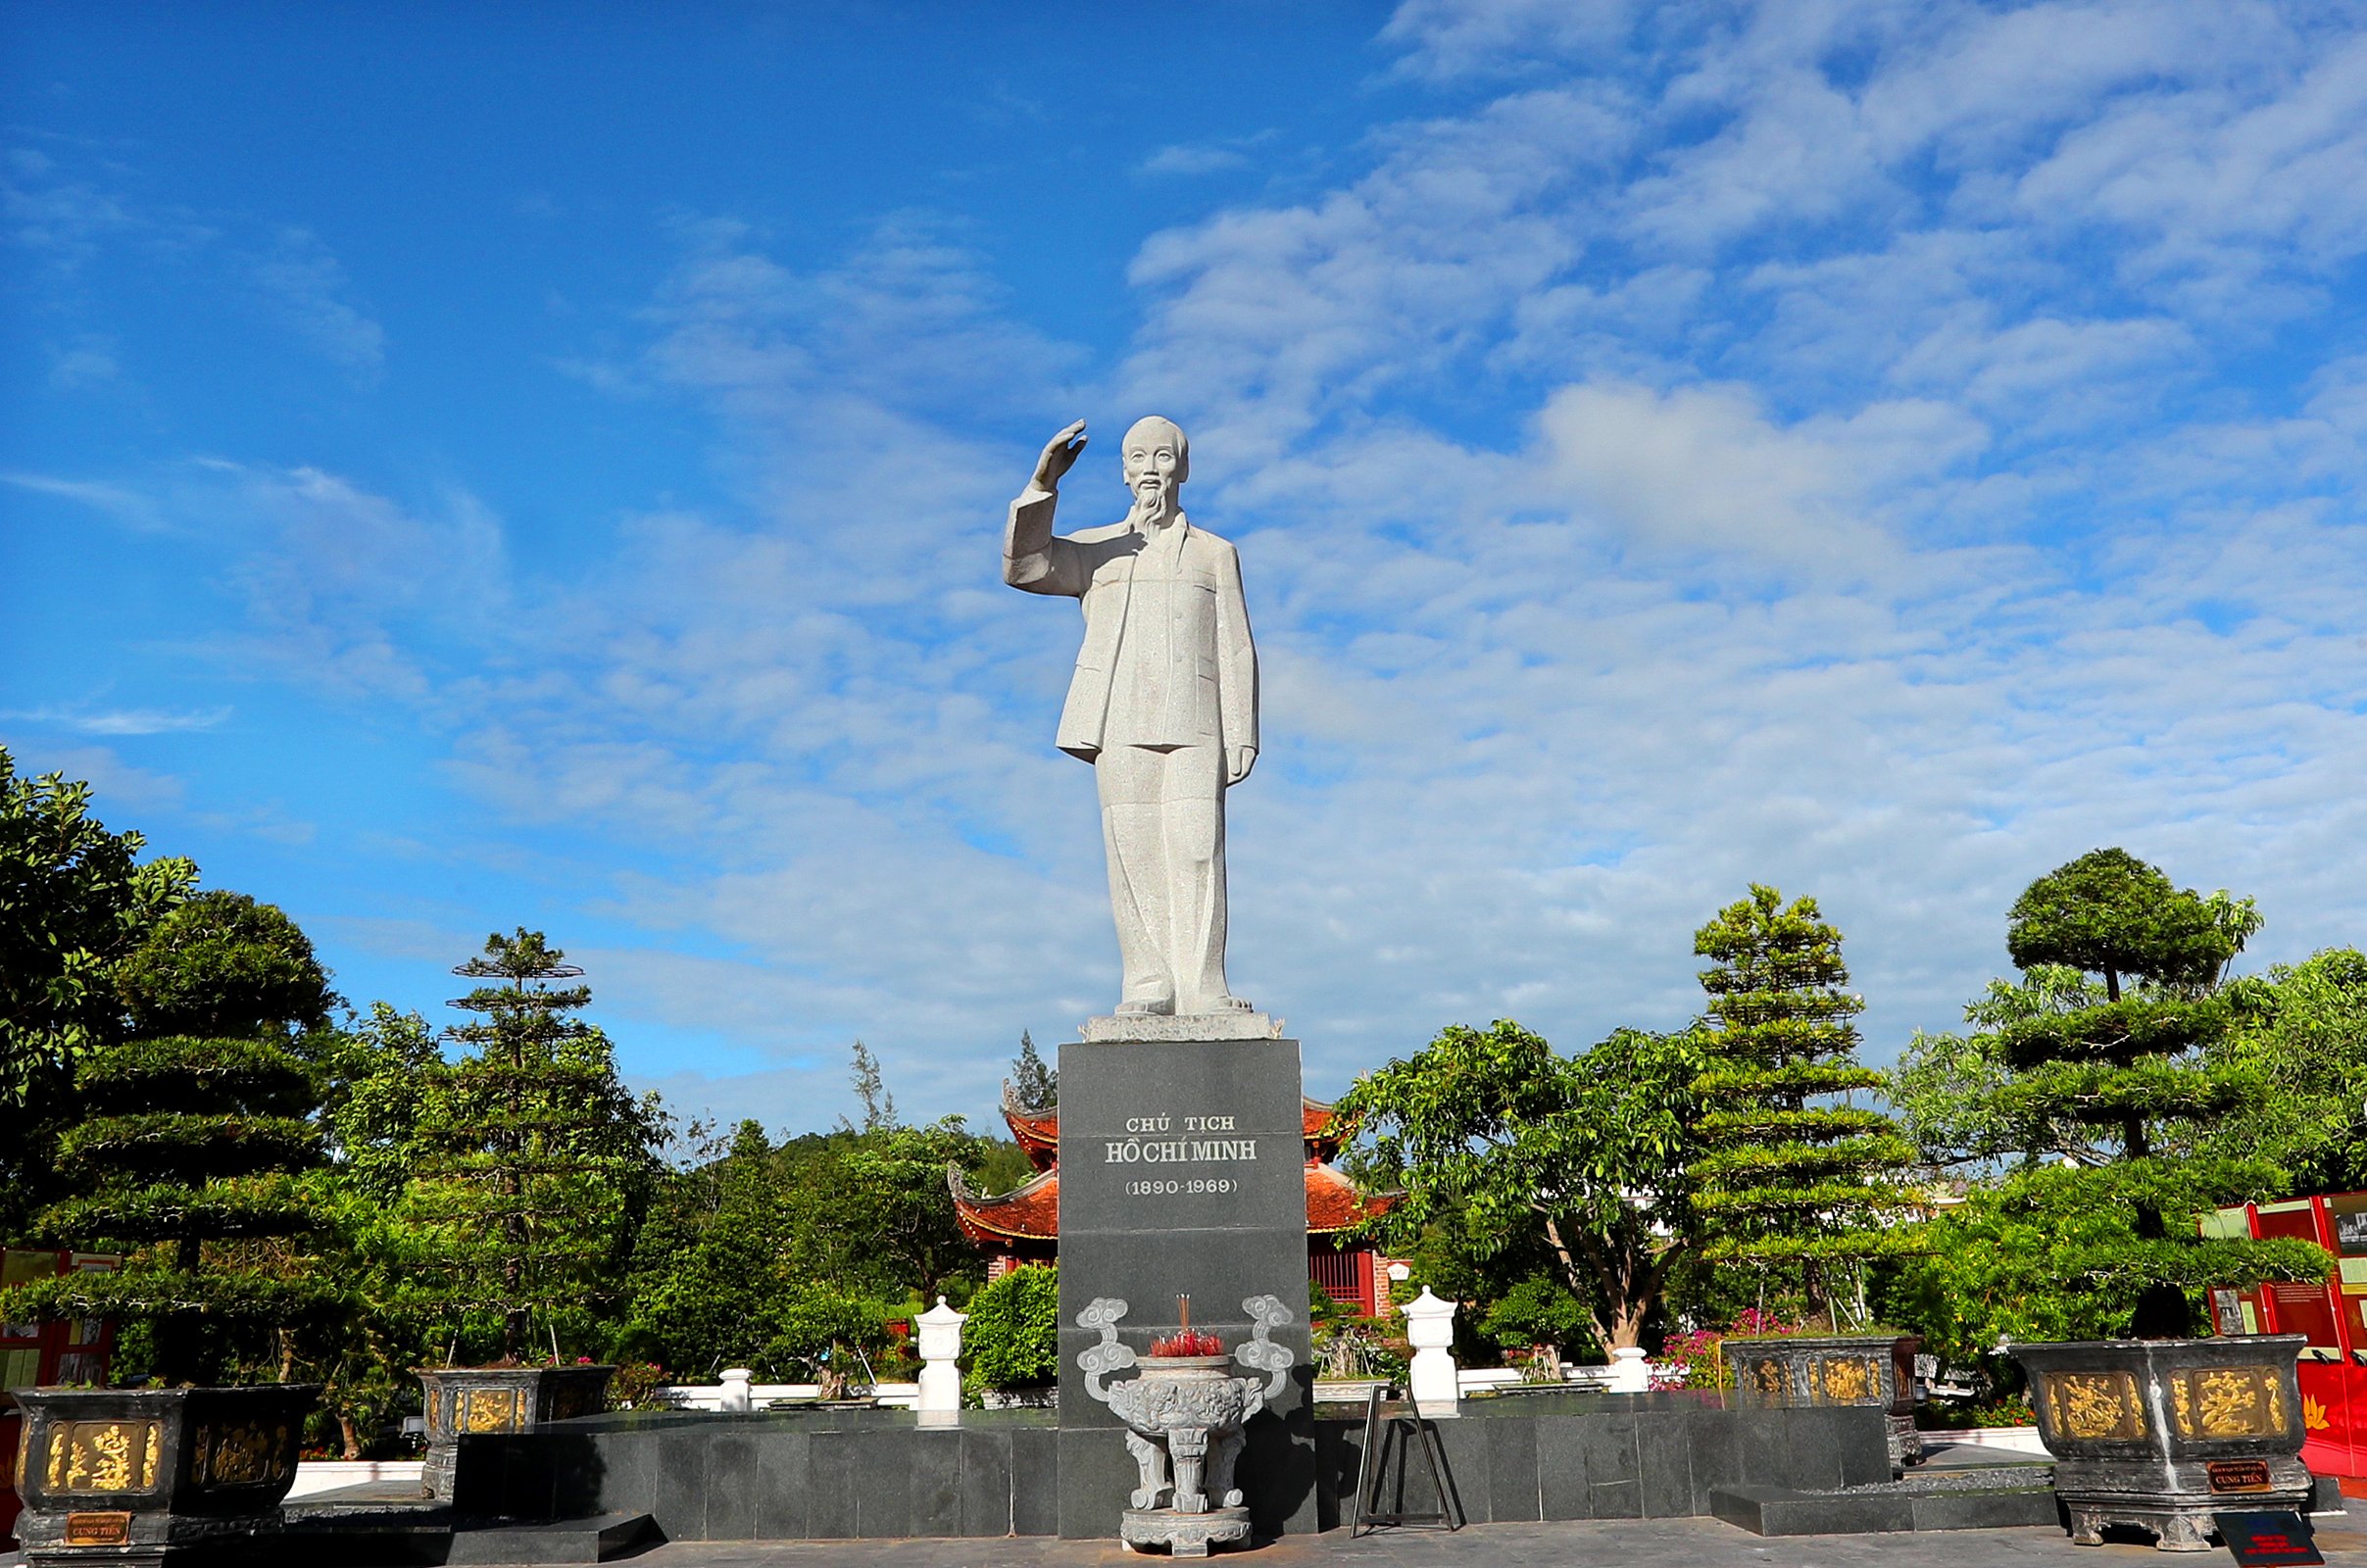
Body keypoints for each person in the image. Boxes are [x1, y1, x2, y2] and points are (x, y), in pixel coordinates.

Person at [1003, 416, 1257, 1018]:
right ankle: (1148, 983)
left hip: (1197, 719)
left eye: (1163, 456)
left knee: (1199, 848)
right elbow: (1025, 566)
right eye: (1138, 457)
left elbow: (1237, 643)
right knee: (1134, 850)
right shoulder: (1097, 549)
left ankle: (1205, 987)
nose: (1150, 468)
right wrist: (1043, 486)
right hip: (1120, 717)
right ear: (1123, 471)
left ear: (1182, 467)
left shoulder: (1216, 553)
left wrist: (1242, 729)